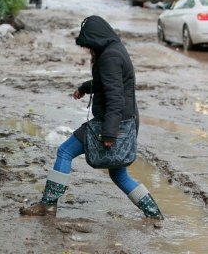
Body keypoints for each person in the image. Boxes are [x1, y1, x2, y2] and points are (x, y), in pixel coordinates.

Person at [19, 15, 164, 220]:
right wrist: (85, 88)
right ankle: (154, 214)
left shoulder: (110, 57)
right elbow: (108, 83)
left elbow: (115, 98)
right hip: (126, 121)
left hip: (113, 122)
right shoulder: (115, 50)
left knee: (65, 152)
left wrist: (109, 134)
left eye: (89, 46)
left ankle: (48, 204)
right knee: (119, 174)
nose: (89, 50)